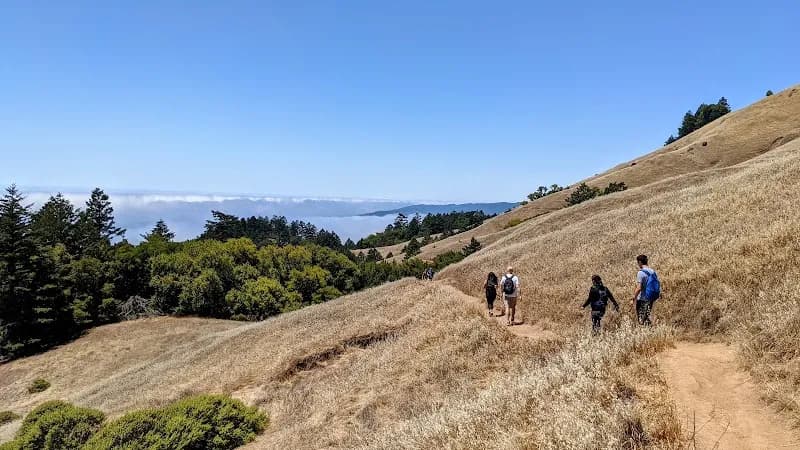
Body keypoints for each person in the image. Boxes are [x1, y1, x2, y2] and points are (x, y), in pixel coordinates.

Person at [633, 254, 661, 325]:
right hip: (650, 298)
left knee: (641, 320)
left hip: (642, 299)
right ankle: (650, 331)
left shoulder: (641, 273)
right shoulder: (652, 271)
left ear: (640, 262)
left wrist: (634, 298)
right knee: (646, 317)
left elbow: (639, 288)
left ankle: (649, 332)